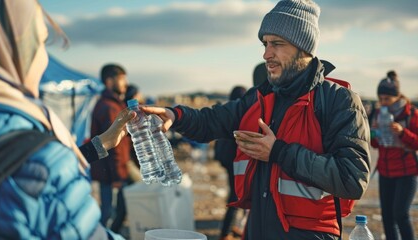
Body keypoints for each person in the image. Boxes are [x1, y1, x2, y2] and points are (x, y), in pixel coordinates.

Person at [141, 0, 371, 239]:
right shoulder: (260, 98)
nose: (266, 54)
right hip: (257, 230)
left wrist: (279, 152)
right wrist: (175, 116)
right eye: (265, 44)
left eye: (277, 44)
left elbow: (352, 179)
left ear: (304, 49)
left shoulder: (338, 101)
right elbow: (211, 120)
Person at [0, 1, 135, 239]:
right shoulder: (43, 162)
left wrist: (99, 144)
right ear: (14, 50)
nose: (43, 59)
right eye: (40, 42)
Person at [370, 71, 418, 240]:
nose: (383, 103)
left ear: (396, 97)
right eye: (380, 99)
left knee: (401, 214)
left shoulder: (410, 113)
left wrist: (402, 132)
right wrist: (374, 132)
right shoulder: (377, 113)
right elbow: (375, 145)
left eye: (387, 99)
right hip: (385, 171)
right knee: (387, 216)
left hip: (407, 172)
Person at [90, 63, 130, 234]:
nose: (125, 84)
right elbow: (114, 145)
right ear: (109, 82)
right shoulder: (109, 108)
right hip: (111, 171)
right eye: (121, 79)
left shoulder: (112, 104)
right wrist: (118, 175)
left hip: (109, 170)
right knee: (109, 213)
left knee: (109, 211)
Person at [213, 86, 247, 240]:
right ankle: (226, 233)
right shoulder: (239, 114)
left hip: (226, 159)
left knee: (236, 194)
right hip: (233, 160)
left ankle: (233, 227)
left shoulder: (229, 110)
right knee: (236, 196)